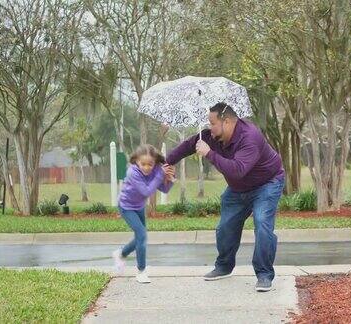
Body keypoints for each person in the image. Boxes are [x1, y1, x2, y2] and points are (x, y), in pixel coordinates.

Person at [166, 102, 285, 292]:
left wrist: (209, 153)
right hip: (238, 189)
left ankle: (264, 274)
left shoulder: (249, 137)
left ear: (227, 122)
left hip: (266, 184)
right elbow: (188, 145)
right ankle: (224, 266)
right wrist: (167, 162)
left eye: (212, 123)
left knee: (262, 223)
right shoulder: (211, 136)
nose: (209, 128)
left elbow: (238, 170)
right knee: (225, 227)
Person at [112, 144, 175, 283]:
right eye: (143, 164)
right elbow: (146, 191)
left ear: (155, 162)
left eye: (150, 164)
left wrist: (170, 178)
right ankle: (141, 271)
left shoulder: (156, 170)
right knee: (142, 235)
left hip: (139, 206)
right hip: (126, 206)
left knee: (141, 237)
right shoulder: (132, 172)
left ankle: (121, 253)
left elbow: (164, 189)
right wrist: (159, 175)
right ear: (136, 161)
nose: (147, 167)